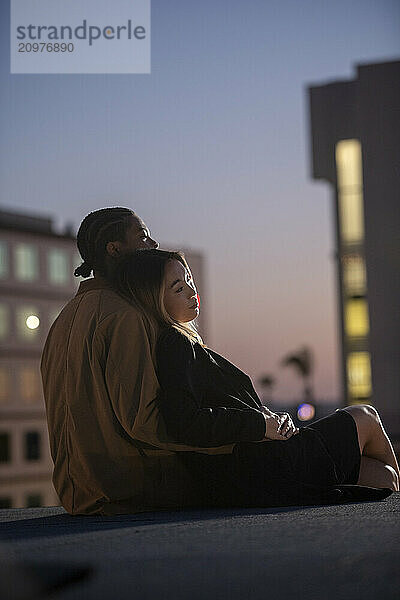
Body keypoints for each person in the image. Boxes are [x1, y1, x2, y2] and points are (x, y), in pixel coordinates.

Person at [111, 247, 399, 508]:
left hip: (258, 465)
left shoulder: (183, 344)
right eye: (177, 288)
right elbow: (184, 421)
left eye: (188, 279)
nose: (190, 291)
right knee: (366, 415)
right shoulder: (175, 344)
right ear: (155, 300)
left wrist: (267, 419)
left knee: (383, 477)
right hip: (261, 468)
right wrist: (260, 423)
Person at [41, 207, 260, 516]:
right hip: (132, 491)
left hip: (78, 492)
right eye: (143, 237)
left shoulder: (63, 319)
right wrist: (244, 435)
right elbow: (145, 422)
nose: (154, 244)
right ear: (115, 250)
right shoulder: (124, 315)